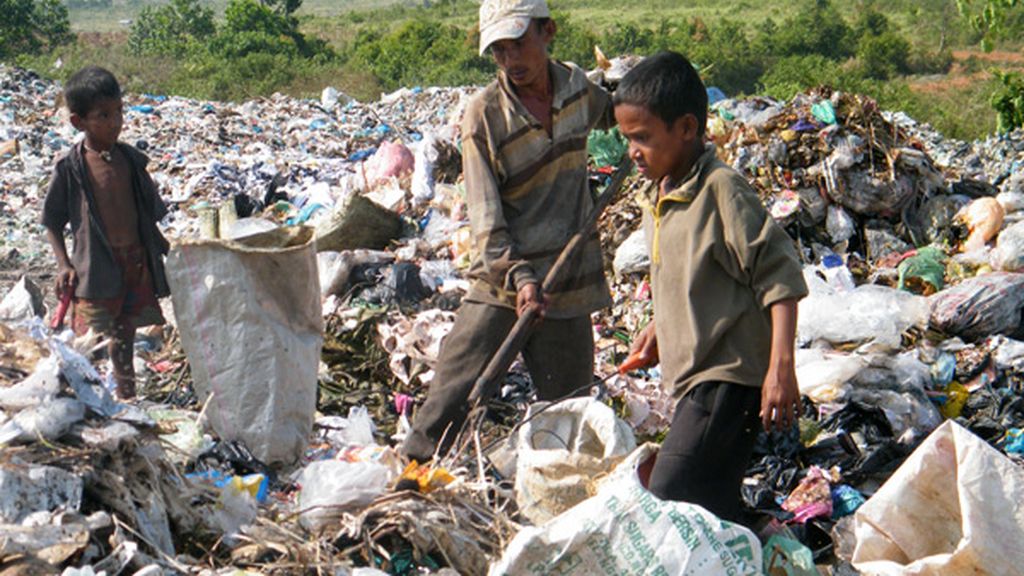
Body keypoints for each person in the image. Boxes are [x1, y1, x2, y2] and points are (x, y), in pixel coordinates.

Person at [400, 0, 615, 462]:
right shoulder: (484, 115)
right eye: (498, 50)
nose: (510, 60)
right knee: (449, 397)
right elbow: (484, 214)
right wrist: (519, 277)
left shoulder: (578, 90)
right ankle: (412, 478)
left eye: (518, 43)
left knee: (569, 416)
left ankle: (554, 499)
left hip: (568, 279)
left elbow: (620, 116)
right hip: (504, 281)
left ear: (547, 31)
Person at [613, 51, 808, 523]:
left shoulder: (721, 189)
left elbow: (779, 277)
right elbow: (689, 273)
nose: (632, 152)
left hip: (729, 377)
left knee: (668, 492)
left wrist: (780, 370)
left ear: (685, 128)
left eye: (642, 137)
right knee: (712, 506)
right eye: (626, 139)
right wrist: (660, 327)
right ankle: (765, 547)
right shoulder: (659, 193)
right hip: (695, 380)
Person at [41, 65, 170, 400]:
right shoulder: (71, 168)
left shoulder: (131, 161)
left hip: (134, 263)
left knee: (124, 337)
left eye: (119, 112)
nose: (115, 122)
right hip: (95, 269)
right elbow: (52, 221)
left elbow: (147, 214)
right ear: (78, 122)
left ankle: (126, 399)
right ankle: (84, 401)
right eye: (104, 115)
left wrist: (169, 249)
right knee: (87, 342)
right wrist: (64, 264)